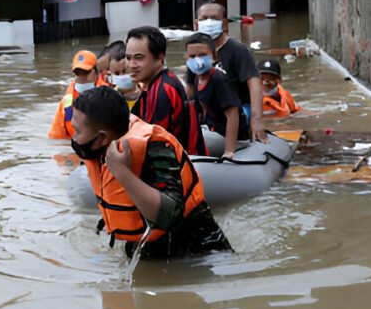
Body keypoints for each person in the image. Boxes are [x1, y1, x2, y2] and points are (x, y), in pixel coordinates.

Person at [71, 87, 232, 258]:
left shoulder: (155, 148)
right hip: (146, 247)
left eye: (77, 131)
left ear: (102, 138)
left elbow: (170, 216)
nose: (73, 138)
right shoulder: (100, 150)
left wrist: (122, 172)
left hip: (197, 249)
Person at [126, 26, 208, 156]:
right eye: (128, 58)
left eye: (139, 58)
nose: (131, 65)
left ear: (160, 57)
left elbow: (153, 144)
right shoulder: (158, 83)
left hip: (186, 165)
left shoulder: (162, 90)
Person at [195, 1, 267, 142]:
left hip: (238, 110)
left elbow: (254, 83)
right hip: (211, 112)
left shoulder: (237, 49)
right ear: (196, 24)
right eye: (204, 19)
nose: (209, 23)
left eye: (214, 18)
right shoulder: (195, 52)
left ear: (225, 24)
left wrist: (257, 119)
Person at [185, 32, 249, 158]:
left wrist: (229, 151)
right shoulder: (197, 79)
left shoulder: (219, 78)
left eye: (202, 55)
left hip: (231, 138)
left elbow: (232, 114)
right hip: (212, 130)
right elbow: (198, 112)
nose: (197, 60)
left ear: (214, 56)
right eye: (192, 56)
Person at [48, 49, 107, 139]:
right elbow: (56, 139)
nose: (81, 77)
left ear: (95, 71)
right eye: (78, 73)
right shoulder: (66, 102)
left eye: (85, 72)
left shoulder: (109, 97)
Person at [98, 40, 141, 109]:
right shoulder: (108, 101)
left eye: (124, 71)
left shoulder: (150, 92)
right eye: (116, 74)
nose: (121, 77)